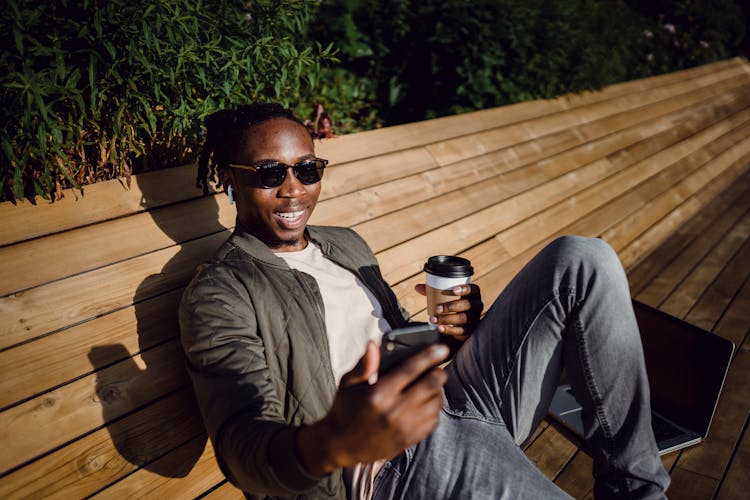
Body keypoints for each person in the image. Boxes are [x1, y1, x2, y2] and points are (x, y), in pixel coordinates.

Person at [179, 103, 670, 499]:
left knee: (583, 258)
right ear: (230, 178)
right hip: (393, 460)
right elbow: (241, 444)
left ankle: (638, 489)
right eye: (269, 174)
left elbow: (392, 342)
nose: (294, 189)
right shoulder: (220, 293)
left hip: (451, 393)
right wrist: (335, 442)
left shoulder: (345, 244)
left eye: (307, 169)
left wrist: (457, 333)